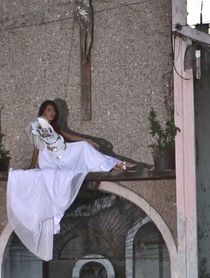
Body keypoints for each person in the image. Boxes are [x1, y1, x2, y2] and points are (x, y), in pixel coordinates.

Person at [7, 100, 133, 261]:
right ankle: (116, 165)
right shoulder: (38, 125)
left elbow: (70, 136)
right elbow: (37, 148)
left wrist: (86, 140)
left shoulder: (54, 128)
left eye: (54, 110)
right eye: (48, 110)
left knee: (84, 146)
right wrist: (33, 165)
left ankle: (115, 165)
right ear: (42, 112)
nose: (52, 113)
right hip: (52, 158)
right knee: (83, 148)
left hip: (61, 155)